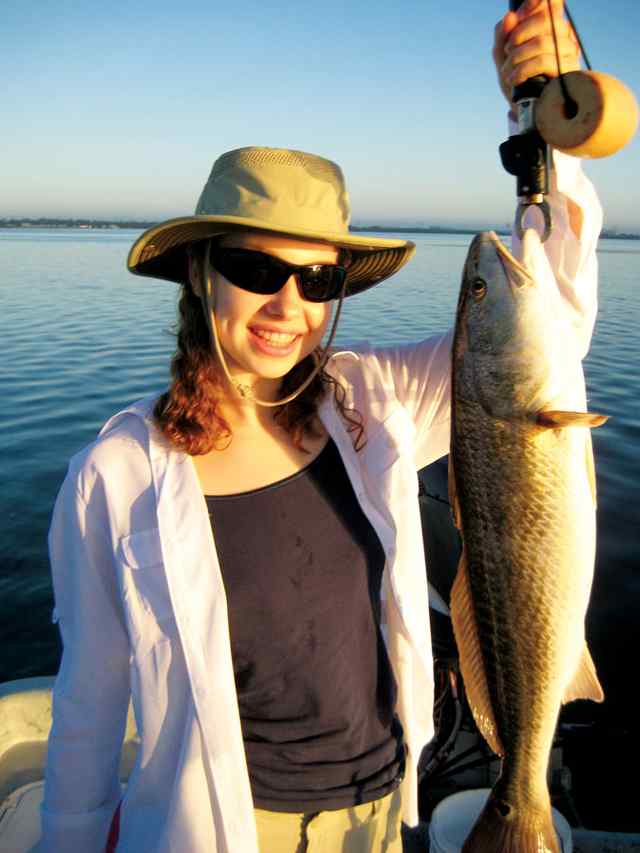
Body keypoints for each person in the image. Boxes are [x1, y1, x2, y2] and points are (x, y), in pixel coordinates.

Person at [40, 2, 600, 851]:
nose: (287, 305)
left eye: (317, 279)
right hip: (222, 829)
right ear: (198, 272)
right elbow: (87, 702)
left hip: (379, 816)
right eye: (255, 267)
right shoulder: (116, 474)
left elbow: (543, 322)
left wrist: (542, 124)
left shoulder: (374, 398)